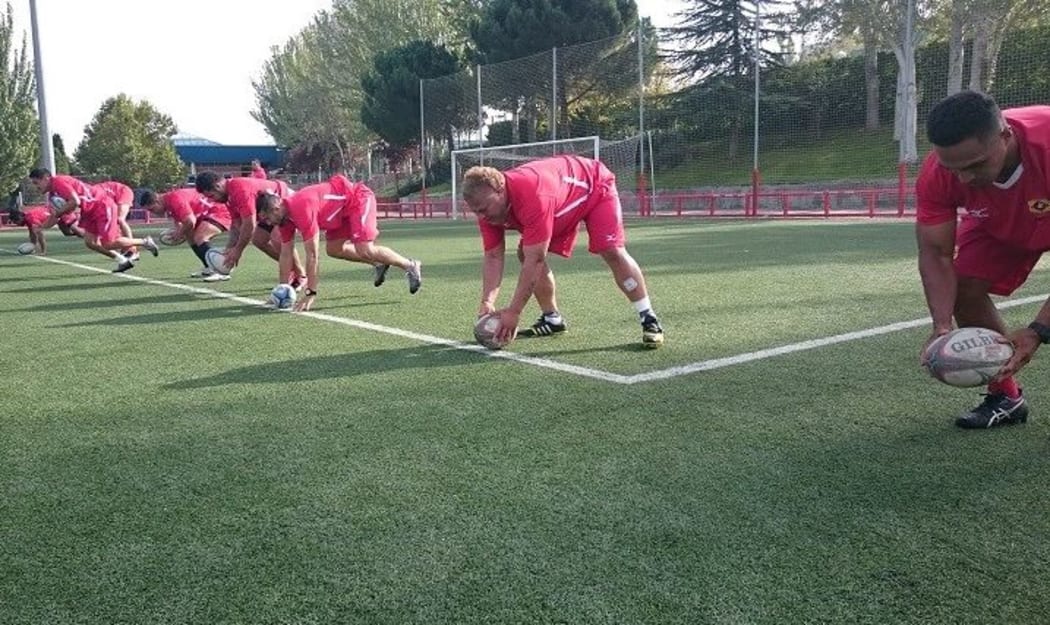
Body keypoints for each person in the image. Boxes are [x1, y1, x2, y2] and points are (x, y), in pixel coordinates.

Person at [917, 90, 1050, 429]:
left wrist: (1037, 331)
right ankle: (1007, 396)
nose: (963, 179)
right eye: (953, 168)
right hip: (999, 222)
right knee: (963, 287)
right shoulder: (939, 172)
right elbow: (936, 253)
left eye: (975, 165)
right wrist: (942, 325)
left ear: (1005, 136)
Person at [460, 155, 664, 348]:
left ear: (500, 189)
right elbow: (494, 256)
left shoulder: (533, 192)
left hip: (594, 185)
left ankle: (648, 318)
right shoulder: (487, 210)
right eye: (476, 211)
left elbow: (536, 259)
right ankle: (552, 319)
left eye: (484, 209)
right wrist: (487, 301)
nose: (482, 217)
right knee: (525, 251)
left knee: (610, 249)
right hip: (560, 199)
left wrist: (514, 312)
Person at [255, 175, 422, 311]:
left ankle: (410, 265)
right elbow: (286, 254)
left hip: (358, 200)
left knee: (365, 249)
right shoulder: (284, 220)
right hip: (340, 213)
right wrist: (282, 288)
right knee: (334, 249)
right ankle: (379, 262)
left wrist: (311, 292)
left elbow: (312, 255)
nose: (268, 223)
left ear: (276, 208)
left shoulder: (301, 208)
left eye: (267, 218)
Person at [28, 168, 157, 272]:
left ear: (46, 178)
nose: (36, 187)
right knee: (90, 242)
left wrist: (60, 212)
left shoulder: (58, 182)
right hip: (90, 211)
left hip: (101, 206)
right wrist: (41, 227)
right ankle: (122, 261)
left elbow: (75, 201)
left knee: (108, 242)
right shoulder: (53, 194)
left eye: (36, 183)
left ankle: (145, 241)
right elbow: (56, 216)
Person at [194, 171, 306, 286]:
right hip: (268, 211)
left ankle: (300, 276)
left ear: (218, 186)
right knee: (259, 240)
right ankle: (291, 269)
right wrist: (229, 249)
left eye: (212, 196)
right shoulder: (229, 197)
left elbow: (249, 224)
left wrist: (238, 250)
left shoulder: (239, 189)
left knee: (277, 238)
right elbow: (236, 225)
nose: (213, 200)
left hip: (282, 201)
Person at [139, 188, 233, 281]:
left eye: (152, 209)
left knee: (200, 237)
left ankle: (222, 271)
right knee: (190, 236)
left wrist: (179, 233)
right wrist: (179, 231)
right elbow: (180, 222)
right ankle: (209, 267)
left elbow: (190, 221)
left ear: (157, 200)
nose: (153, 213)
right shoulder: (169, 203)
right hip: (207, 213)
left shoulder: (175, 199)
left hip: (219, 210)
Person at [95, 180, 140, 260]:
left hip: (123, 192)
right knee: (113, 225)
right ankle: (125, 248)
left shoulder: (92, 195)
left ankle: (133, 249)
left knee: (120, 219)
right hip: (113, 198)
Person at [12, 204, 82, 254]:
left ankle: (88, 233)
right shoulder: (27, 219)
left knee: (77, 232)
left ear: (20, 217)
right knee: (67, 233)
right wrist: (33, 246)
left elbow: (40, 234)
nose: (16, 224)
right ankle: (86, 233)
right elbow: (32, 234)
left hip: (60, 214)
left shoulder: (31, 218)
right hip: (56, 216)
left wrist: (43, 251)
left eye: (16, 221)